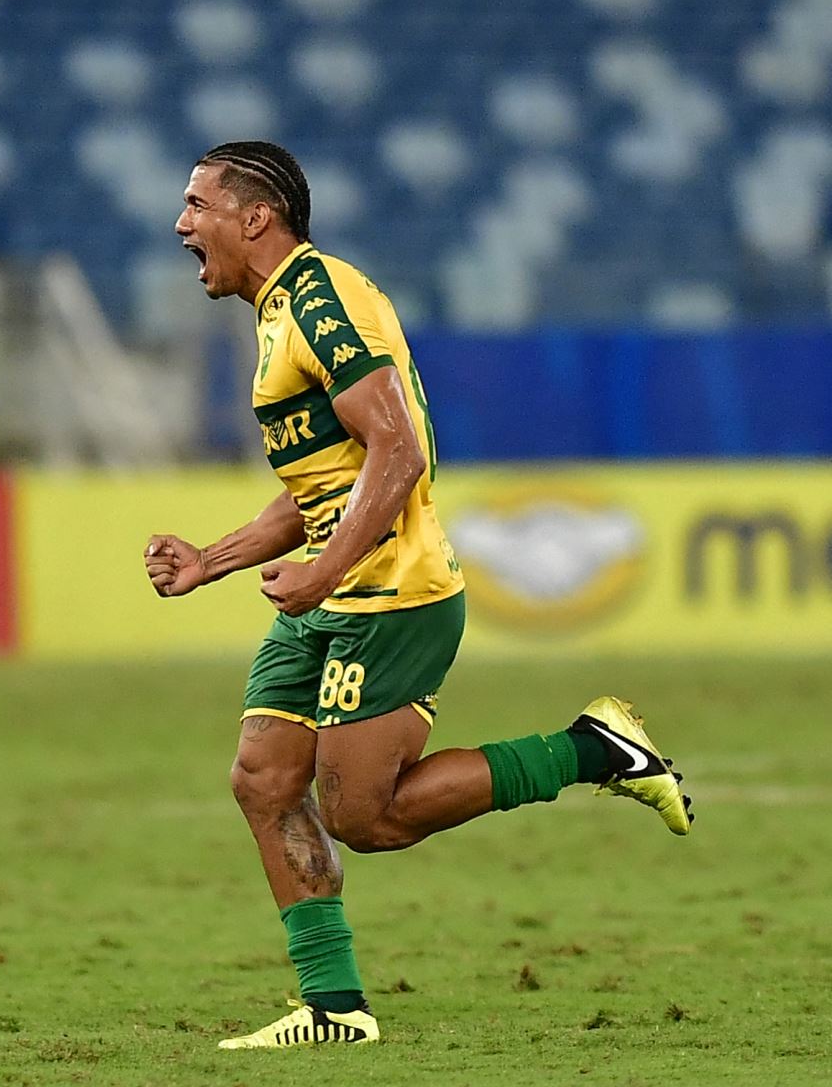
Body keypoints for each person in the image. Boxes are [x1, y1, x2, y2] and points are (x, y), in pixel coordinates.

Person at [144, 141, 691, 1050]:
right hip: (332, 594)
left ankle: (591, 750)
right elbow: (327, 481)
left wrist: (322, 571)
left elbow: (399, 450)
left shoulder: (322, 299)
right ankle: (334, 1008)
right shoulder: (281, 312)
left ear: (255, 218)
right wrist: (216, 558)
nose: (181, 223)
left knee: (369, 817)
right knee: (263, 779)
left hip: (394, 593)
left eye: (198, 204)